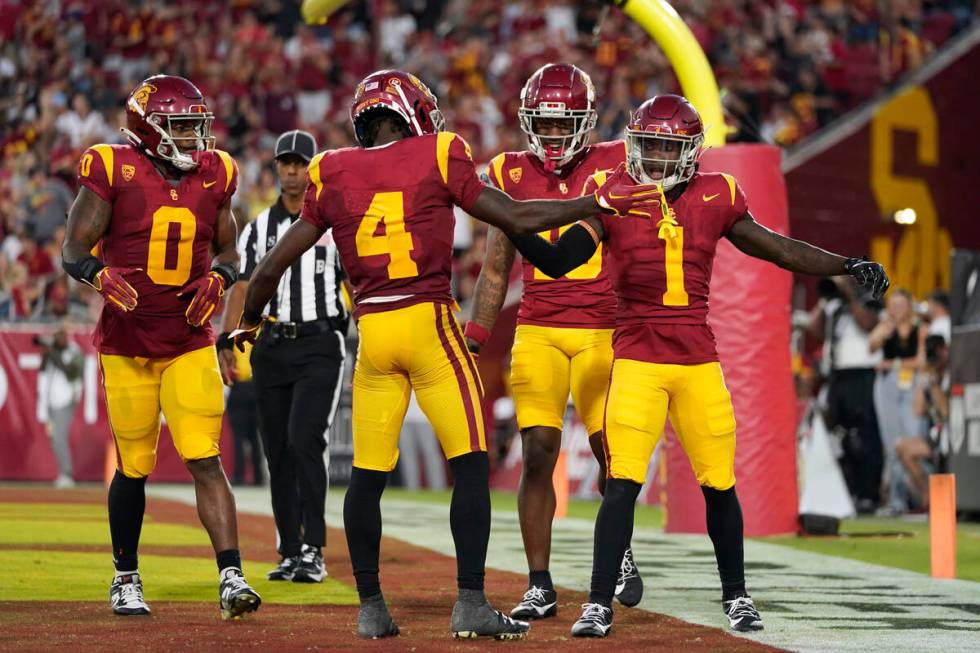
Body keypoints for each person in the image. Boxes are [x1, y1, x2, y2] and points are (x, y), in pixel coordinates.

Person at [232, 69, 661, 640]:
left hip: (374, 335)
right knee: (471, 465)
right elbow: (516, 219)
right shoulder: (439, 151)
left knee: (366, 477)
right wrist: (593, 201)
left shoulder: (331, 168)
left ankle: (371, 606)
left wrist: (250, 320)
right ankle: (471, 602)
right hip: (429, 323)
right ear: (412, 114)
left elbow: (268, 268)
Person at [505, 94, 890, 637]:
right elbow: (558, 259)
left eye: (667, 147)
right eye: (649, 146)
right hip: (636, 358)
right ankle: (598, 602)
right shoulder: (615, 194)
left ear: (690, 152)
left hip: (695, 362)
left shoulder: (718, 194)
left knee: (719, 484)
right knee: (621, 486)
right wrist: (509, 219)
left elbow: (778, 249)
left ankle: (736, 596)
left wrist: (844, 264)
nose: (656, 158)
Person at [61, 75, 261, 620]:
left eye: (197, 125)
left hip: (189, 340)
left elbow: (228, 248)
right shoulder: (112, 166)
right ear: (149, 128)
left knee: (205, 457)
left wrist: (219, 280)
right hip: (127, 344)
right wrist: (99, 276)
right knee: (134, 465)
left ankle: (231, 575)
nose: (194, 137)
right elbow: (73, 247)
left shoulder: (217, 173)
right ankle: (125, 576)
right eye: (180, 126)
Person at [467, 63, 641, 621]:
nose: (555, 135)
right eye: (545, 123)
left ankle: (619, 550)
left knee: (611, 451)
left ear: (588, 122)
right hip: (539, 327)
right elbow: (496, 270)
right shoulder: (509, 172)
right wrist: (476, 336)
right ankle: (539, 582)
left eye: (566, 123)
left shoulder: (616, 160)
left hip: (601, 328)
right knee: (538, 451)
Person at [218, 129, 348, 584]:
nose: (292, 172)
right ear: (276, 169)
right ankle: (290, 549)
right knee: (278, 451)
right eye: (285, 163)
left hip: (319, 344)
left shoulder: (335, 224)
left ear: (312, 169)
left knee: (304, 438)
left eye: (300, 163)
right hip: (271, 344)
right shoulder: (258, 229)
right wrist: (228, 337)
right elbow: (241, 285)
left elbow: (357, 281)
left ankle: (314, 546)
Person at [809, 276, 883, 514]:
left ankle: (868, 494)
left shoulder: (869, 300)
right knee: (839, 436)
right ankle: (848, 491)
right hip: (837, 376)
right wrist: (824, 300)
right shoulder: (835, 307)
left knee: (866, 435)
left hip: (862, 375)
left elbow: (867, 324)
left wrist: (850, 295)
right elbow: (815, 330)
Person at [868, 288, 923, 515]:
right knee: (891, 444)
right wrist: (882, 331)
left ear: (910, 306)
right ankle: (896, 500)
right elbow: (871, 347)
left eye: (902, 305)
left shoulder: (920, 329)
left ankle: (919, 497)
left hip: (912, 385)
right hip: (887, 386)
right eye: (894, 305)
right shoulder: (886, 327)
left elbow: (921, 361)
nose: (897, 310)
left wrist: (894, 364)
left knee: (912, 438)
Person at [896, 334, 949, 508]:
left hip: (951, 437)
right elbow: (917, 410)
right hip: (935, 437)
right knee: (901, 446)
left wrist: (934, 383)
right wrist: (923, 375)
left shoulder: (951, 373)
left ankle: (935, 500)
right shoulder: (930, 374)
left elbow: (945, 412)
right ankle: (927, 495)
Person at [35, 324, 84, 488]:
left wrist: (53, 353)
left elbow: (71, 371)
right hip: (51, 402)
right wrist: (46, 354)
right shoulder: (53, 353)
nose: (58, 339)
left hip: (65, 401)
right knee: (55, 439)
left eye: (61, 336)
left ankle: (67, 474)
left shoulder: (74, 352)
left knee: (60, 438)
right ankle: (63, 473)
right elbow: (42, 370)